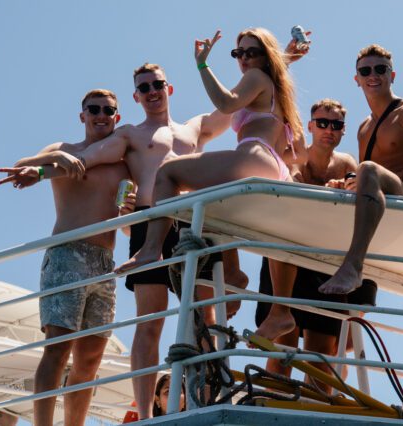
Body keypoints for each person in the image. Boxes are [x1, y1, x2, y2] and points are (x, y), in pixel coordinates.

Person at [20, 63, 234, 421]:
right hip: (92, 246)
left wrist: (273, 62)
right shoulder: (115, 142)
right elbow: (75, 161)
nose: (101, 115)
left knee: (199, 321)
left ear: (169, 88)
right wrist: (45, 166)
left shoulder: (157, 147)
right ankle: (146, 415)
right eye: (94, 109)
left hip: (171, 230)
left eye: (157, 84)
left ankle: (207, 403)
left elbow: (232, 107)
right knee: (73, 344)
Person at [116, 28, 306, 343]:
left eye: (251, 52)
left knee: (168, 174)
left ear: (264, 57)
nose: (244, 59)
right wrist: (287, 59)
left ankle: (151, 250)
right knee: (214, 209)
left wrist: (202, 65)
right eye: (238, 53)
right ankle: (279, 311)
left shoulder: (257, 77)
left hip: (253, 157)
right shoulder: (275, 86)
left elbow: (227, 102)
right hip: (273, 165)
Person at [0, 90, 132, 426]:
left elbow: (129, 228)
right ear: (82, 115)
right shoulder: (63, 150)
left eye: (109, 110)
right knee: (57, 348)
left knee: (90, 358)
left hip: (105, 262)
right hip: (67, 255)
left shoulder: (123, 164)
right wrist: (57, 159)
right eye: (94, 109)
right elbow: (20, 166)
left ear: (116, 116)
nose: (101, 115)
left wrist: (130, 213)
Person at [255, 98, 376, 389]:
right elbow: (292, 182)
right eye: (322, 123)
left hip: (326, 259)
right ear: (310, 126)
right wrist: (324, 189)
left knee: (321, 354)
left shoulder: (347, 164)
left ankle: (316, 414)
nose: (328, 130)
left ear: (343, 130)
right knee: (282, 353)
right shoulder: (296, 156)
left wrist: (345, 186)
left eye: (335, 125)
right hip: (288, 258)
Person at [319, 44, 403, 296]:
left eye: (380, 69)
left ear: (392, 75)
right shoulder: (364, 127)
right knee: (359, 173)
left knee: (368, 169)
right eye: (365, 71)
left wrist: (373, 178)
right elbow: (367, 173)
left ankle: (353, 266)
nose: (372, 75)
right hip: (380, 199)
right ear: (357, 80)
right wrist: (354, 182)